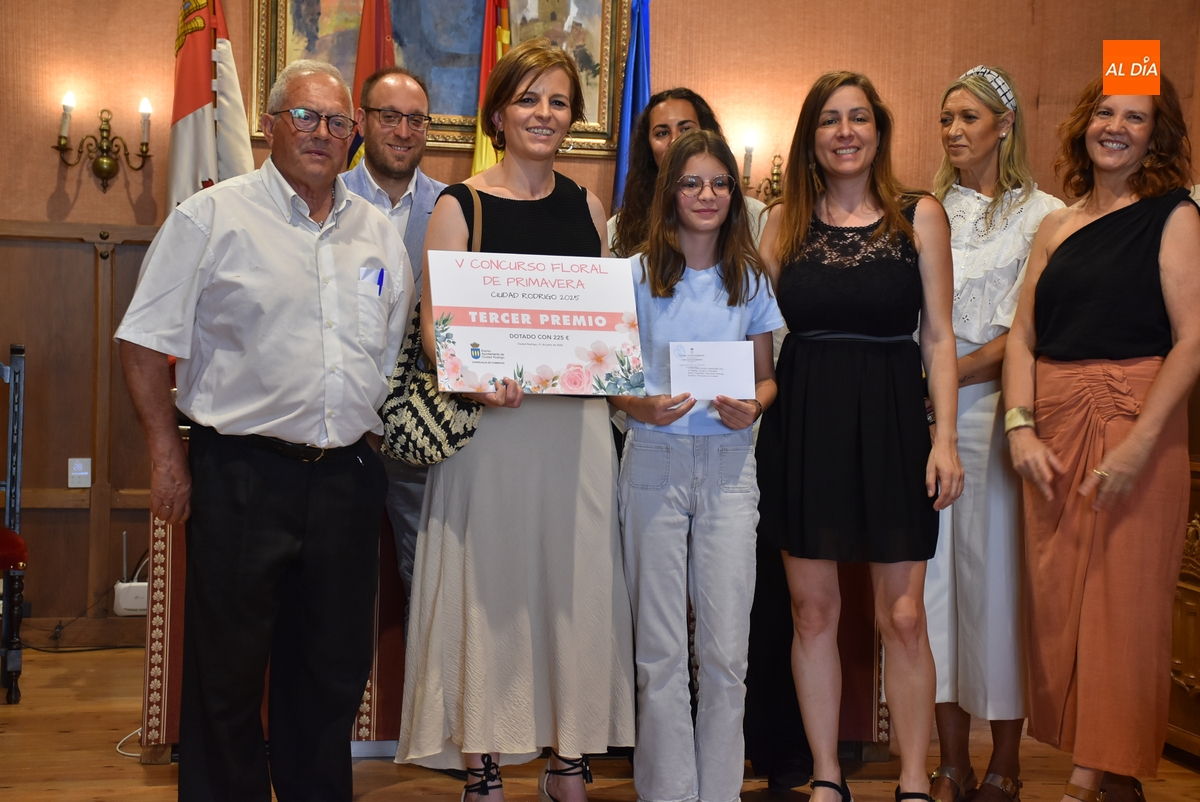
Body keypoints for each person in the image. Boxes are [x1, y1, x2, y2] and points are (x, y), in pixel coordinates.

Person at [116, 60, 413, 801]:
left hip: (346, 481)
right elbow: (144, 341)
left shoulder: (377, 233)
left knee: (331, 677)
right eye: (304, 116)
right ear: (270, 124)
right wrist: (166, 456)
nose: (321, 133)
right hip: (243, 477)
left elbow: (387, 354)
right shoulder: (211, 218)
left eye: (337, 122)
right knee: (227, 678)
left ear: (352, 135)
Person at [394, 37, 636, 802]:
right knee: (489, 590)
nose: (544, 113)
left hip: (576, 433)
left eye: (559, 101)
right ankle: (483, 762)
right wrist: (478, 376)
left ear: (573, 119)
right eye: (528, 98)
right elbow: (434, 329)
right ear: (498, 113)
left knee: (574, 587)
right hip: (490, 433)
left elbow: (601, 327)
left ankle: (568, 759)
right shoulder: (457, 205)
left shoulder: (588, 207)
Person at [756, 70, 964, 802]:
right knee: (812, 612)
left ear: (878, 130)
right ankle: (826, 777)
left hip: (895, 422)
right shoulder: (782, 220)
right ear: (810, 137)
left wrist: (945, 440)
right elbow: (747, 323)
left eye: (858, 118)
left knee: (903, 616)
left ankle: (912, 781)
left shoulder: (920, 215)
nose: (845, 132)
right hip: (803, 421)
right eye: (829, 119)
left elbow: (939, 338)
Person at [1002, 75, 1200, 802]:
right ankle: (1110, 774)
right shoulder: (1055, 225)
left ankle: (1085, 782)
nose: (1115, 127)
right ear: (1085, 123)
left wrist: (1143, 442)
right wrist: (1019, 426)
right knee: (1060, 603)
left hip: (1136, 420)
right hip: (1053, 427)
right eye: (1105, 112)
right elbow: (1022, 336)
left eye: (1135, 117)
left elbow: (1193, 339)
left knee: (1124, 603)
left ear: (1156, 135)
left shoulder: (1175, 216)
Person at [612, 128, 782, 802]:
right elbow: (609, 379)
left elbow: (767, 378)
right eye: (691, 183)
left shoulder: (750, 277)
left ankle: (718, 793)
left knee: (726, 653)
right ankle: (669, 793)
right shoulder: (634, 274)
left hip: (730, 465)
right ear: (670, 192)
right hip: (654, 457)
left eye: (718, 183)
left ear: (733, 194)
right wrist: (640, 405)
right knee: (659, 651)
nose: (706, 195)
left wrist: (755, 405)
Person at [923, 66, 1064, 802]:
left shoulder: (1044, 215)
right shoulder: (925, 210)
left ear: (1005, 126)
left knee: (995, 589)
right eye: (946, 118)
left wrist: (943, 379)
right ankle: (950, 762)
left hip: (997, 414)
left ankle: (1005, 762)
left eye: (969, 117)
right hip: (924, 420)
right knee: (933, 591)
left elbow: (1029, 332)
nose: (953, 131)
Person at [343, 65, 447, 624]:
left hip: (423, 433)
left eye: (416, 119)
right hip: (342, 431)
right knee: (334, 592)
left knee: (429, 589)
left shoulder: (455, 208)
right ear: (361, 121)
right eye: (389, 117)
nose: (404, 131)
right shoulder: (327, 200)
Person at [609, 87, 768, 255]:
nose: (675, 141)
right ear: (648, 147)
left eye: (686, 129)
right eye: (662, 133)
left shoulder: (756, 217)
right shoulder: (621, 227)